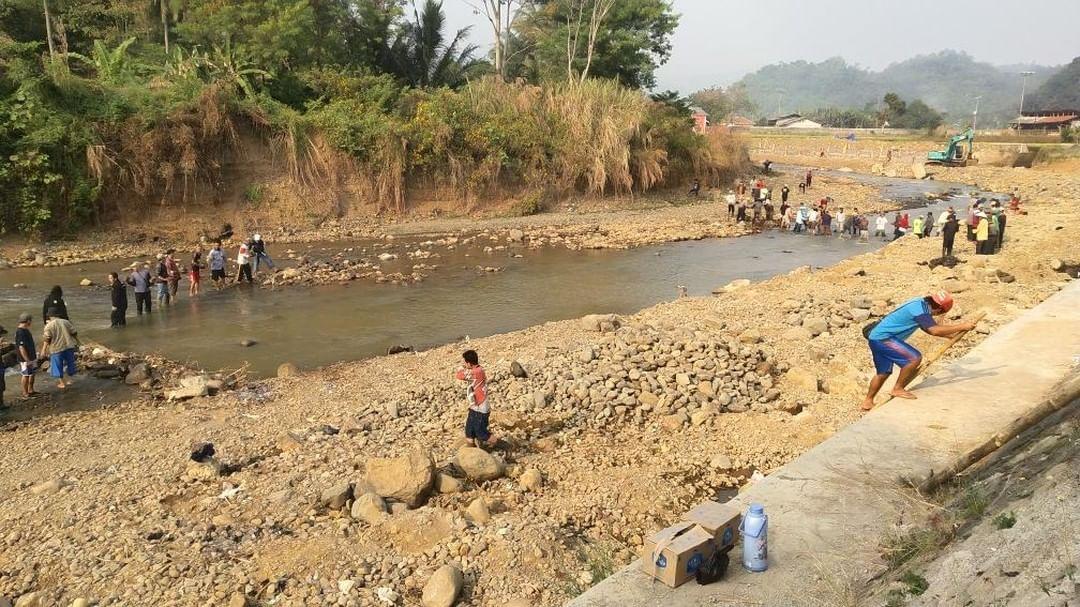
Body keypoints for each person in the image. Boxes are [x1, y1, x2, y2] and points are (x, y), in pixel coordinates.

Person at [861, 291, 977, 411]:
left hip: (875, 337)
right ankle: (898, 389)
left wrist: (950, 336)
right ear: (939, 310)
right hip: (884, 339)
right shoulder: (921, 311)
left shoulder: (919, 303)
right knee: (914, 358)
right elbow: (934, 330)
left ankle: (867, 402)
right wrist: (962, 326)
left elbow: (926, 328)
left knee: (883, 373)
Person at [455, 350, 496, 449]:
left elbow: (459, 375)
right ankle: (472, 451)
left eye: (465, 362)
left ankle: (504, 446)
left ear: (469, 363)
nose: (464, 364)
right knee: (469, 431)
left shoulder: (477, 372)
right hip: (474, 406)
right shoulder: (476, 370)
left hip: (481, 407)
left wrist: (461, 368)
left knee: (480, 432)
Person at [41, 309, 78, 390]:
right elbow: (74, 332)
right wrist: (77, 342)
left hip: (56, 348)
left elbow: (47, 338)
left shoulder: (49, 325)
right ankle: (69, 380)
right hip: (69, 346)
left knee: (57, 366)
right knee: (70, 363)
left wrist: (43, 350)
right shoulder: (66, 322)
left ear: (50, 316)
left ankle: (62, 383)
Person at [14, 314, 37, 398]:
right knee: (26, 374)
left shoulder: (25, 330)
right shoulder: (20, 332)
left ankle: (31, 390)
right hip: (25, 358)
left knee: (32, 373)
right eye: (30, 320)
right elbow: (21, 347)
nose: (31, 322)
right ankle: (25, 392)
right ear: (28, 321)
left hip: (31, 356)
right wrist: (27, 360)